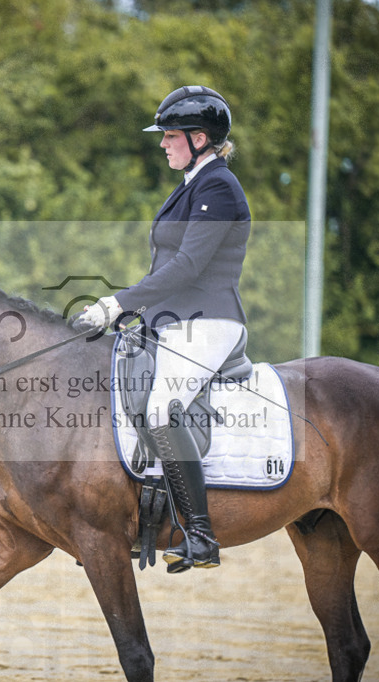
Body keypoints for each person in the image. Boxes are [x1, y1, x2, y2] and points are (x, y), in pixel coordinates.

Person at [74, 85, 251, 573]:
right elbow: (167, 271)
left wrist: (117, 302)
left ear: (199, 138)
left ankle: (200, 534)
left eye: (169, 135)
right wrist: (138, 315)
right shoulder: (192, 184)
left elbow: (190, 266)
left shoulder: (217, 187)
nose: (162, 143)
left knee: (160, 408)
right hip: (174, 323)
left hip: (210, 321)